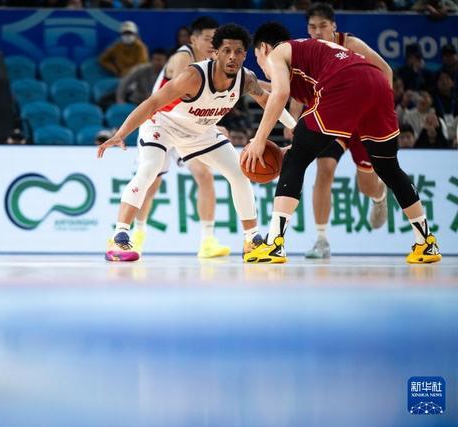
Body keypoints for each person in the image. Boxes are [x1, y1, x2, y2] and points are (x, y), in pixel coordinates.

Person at [242, 21, 441, 264]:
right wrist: (297, 144)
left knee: (295, 161)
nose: (262, 66)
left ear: (264, 48)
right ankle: (427, 243)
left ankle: (274, 244)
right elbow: (293, 106)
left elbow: (280, 93)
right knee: (389, 168)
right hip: (376, 83)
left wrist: (259, 139)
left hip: (346, 83)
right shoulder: (307, 61)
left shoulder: (277, 53)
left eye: (257, 58)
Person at [97, 23, 296, 262]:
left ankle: (251, 239)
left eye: (238, 51)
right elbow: (152, 103)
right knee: (149, 169)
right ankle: (119, 236)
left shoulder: (246, 79)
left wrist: (295, 127)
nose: (232, 56)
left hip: (200, 132)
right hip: (163, 125)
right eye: (226, 51)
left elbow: (270, 101)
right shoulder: (193, 76)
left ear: (245, 55)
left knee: (239, 173)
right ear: (216, 53)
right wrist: (121, 133)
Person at [285, 3, 391, 259]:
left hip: (362, 122)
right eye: (312, 27)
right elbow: (299, 88)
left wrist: (381, 110)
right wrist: (292, 120)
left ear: (333, 26)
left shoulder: (351, 44)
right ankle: (321, 240)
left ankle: (379, 195)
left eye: (323, 26)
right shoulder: (306, 50)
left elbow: (386, 71)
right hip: (333, 120)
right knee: (324, 170)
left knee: (366, 185)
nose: (317, 31)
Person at [131, 17, 235, 258]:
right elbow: (183, 100)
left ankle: (208, 241)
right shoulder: (182, 58)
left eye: (216, 40)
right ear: (194, 39)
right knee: (151, 182)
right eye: (207, 39)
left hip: (188, 128)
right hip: (161, 124)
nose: (212, 44)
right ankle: (136, 234)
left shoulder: (215, 62)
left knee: (204, 175)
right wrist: (213, 126)